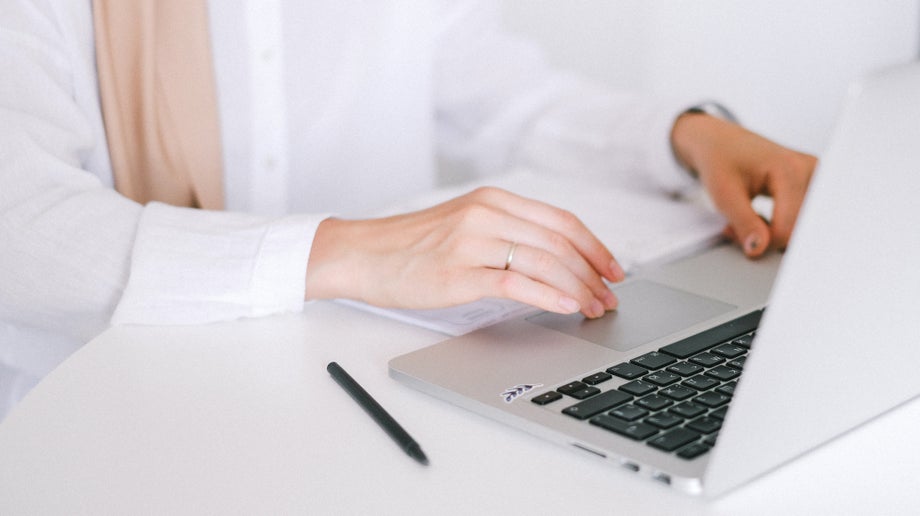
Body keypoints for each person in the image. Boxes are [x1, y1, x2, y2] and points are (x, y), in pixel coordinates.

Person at [0, 0, 816, 420]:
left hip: (369, 392)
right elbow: (23, 232)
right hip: (88, 420)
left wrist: (681, 136)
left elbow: (505, 94)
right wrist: (353, 252)